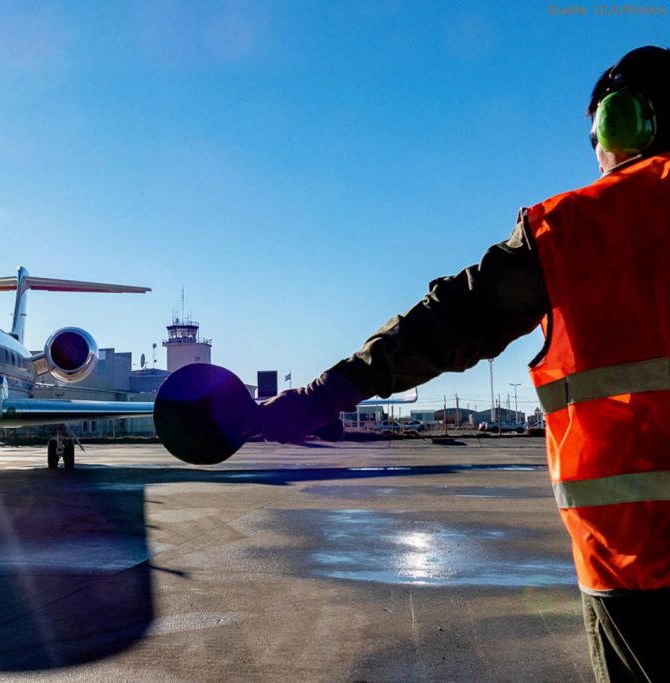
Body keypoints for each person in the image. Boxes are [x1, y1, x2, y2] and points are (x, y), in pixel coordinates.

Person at [258, 45, 670, 683]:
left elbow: (447, 321)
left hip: (638, 565)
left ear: (623, 123)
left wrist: (320, 395)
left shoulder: (578, 228)